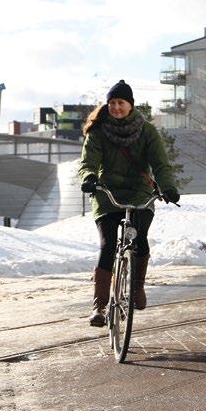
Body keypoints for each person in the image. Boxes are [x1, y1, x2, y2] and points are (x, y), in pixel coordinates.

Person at [78, 80, 180, 327]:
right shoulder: (99, 131)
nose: (115, 108)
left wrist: (167, 187)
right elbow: (88, 161)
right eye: (112, 103)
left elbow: (160, 164)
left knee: (140, 238)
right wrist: (89, 177)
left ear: (130, 105)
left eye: (120, 103)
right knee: (108, 244)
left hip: (139, 194)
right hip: (107, 193)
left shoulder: (147, 131)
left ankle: (136, 288)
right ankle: (100, 306)